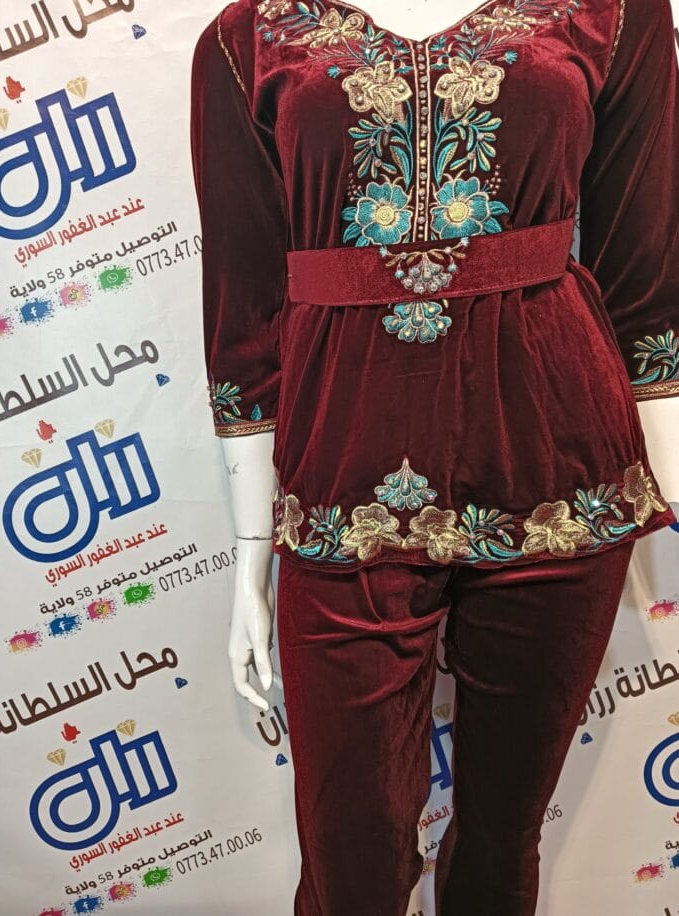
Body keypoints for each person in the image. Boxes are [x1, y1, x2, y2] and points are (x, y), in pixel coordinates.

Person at [190, 0, 679, 912]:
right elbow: (244, 301)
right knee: (350, 855)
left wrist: (663, 481)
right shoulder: (249, 37)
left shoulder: (612, 11)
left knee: (500, 838)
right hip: (342, 483)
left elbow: (643, 266)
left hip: (558, 473)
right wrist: (252, 550)